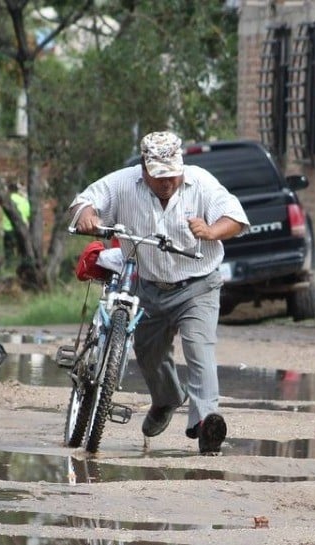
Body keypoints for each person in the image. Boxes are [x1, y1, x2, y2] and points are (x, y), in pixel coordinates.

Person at [68, 130, 248, 454]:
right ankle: (165, 400)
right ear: (144, 168)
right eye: (159, 176)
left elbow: (235, 217)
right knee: (149, 353)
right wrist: (87, 216)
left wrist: (210, 230)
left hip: (198, 286)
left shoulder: (201, 183)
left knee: (200, 350)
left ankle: (207, 425)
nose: (167, 182)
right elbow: (85, 200)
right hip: (147, 287)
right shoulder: (123, 183)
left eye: (172, 175)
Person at [1, 182, 30, 262]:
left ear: (9, 190)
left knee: (9, 251)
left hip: (8, 229)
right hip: (21, 228)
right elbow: (28, 215)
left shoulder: (6, 200)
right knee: (22, 250)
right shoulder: (23, 200)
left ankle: (10, 267)